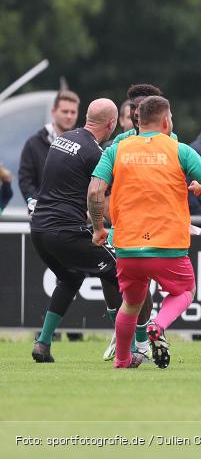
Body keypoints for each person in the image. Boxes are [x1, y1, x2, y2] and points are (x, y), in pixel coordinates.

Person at [88, 96, 201, 369]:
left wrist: (99, 228)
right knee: (185, 291)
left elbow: (94, 191)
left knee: (131, 304)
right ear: (165, 120)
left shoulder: (117, 149)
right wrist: (200, 188)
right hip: (168, 245)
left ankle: (123, 360)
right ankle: (158, 326)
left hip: (127, 245)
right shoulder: (178, 149)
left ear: (137, 120)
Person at [28, 99, 129, 363]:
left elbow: (66, 188)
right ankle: (125, 342)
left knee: (71, 278)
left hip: (39, 230)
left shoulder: (62, 139)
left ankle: (43, 343)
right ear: (112, 124)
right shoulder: (94, 153)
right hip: (65, 231)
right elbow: (99, 198)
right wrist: (101, 227)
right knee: (122, 273)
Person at [19, 90, 80, 211]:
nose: (69, 116)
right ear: (53, 112)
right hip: (42, 219)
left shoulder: (84, 145)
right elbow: (25, 182)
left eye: (73, 112)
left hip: (74, 219)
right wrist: (42, 206)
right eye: (65, 111)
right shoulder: (33, 144)